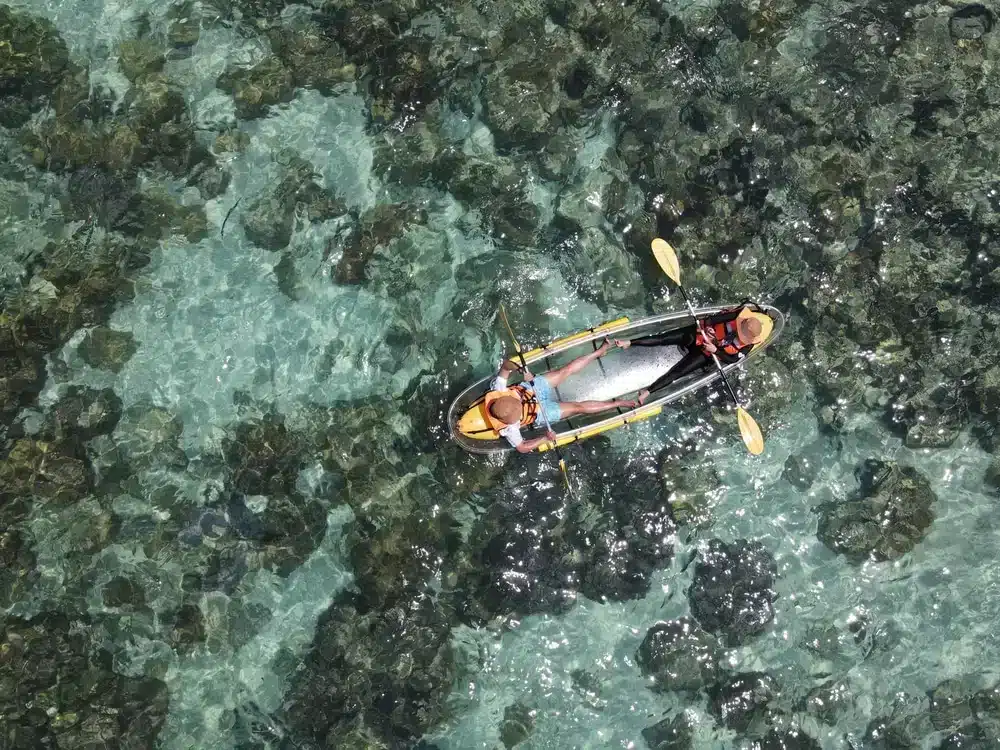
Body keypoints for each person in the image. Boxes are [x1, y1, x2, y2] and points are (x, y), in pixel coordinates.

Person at [485, 340, 637, 452]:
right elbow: (522, 447)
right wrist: (545, 438)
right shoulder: (509, 429)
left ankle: (599, 352)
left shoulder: (498, 390)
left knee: (566, 370)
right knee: (578, 407)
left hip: (530, 389)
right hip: (539, 412)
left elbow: (506, 365)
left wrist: (521, 370)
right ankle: (616, 403)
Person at [615, 305, 769, 404]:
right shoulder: (736, 316)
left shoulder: (748, 345)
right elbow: (711, 319)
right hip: (698, 335)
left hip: (706, 354)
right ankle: (629, 342)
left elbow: (732, 359)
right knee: (663, 338)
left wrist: (716, 350)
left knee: (677, 372)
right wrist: (710, 329)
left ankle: (647, 392)